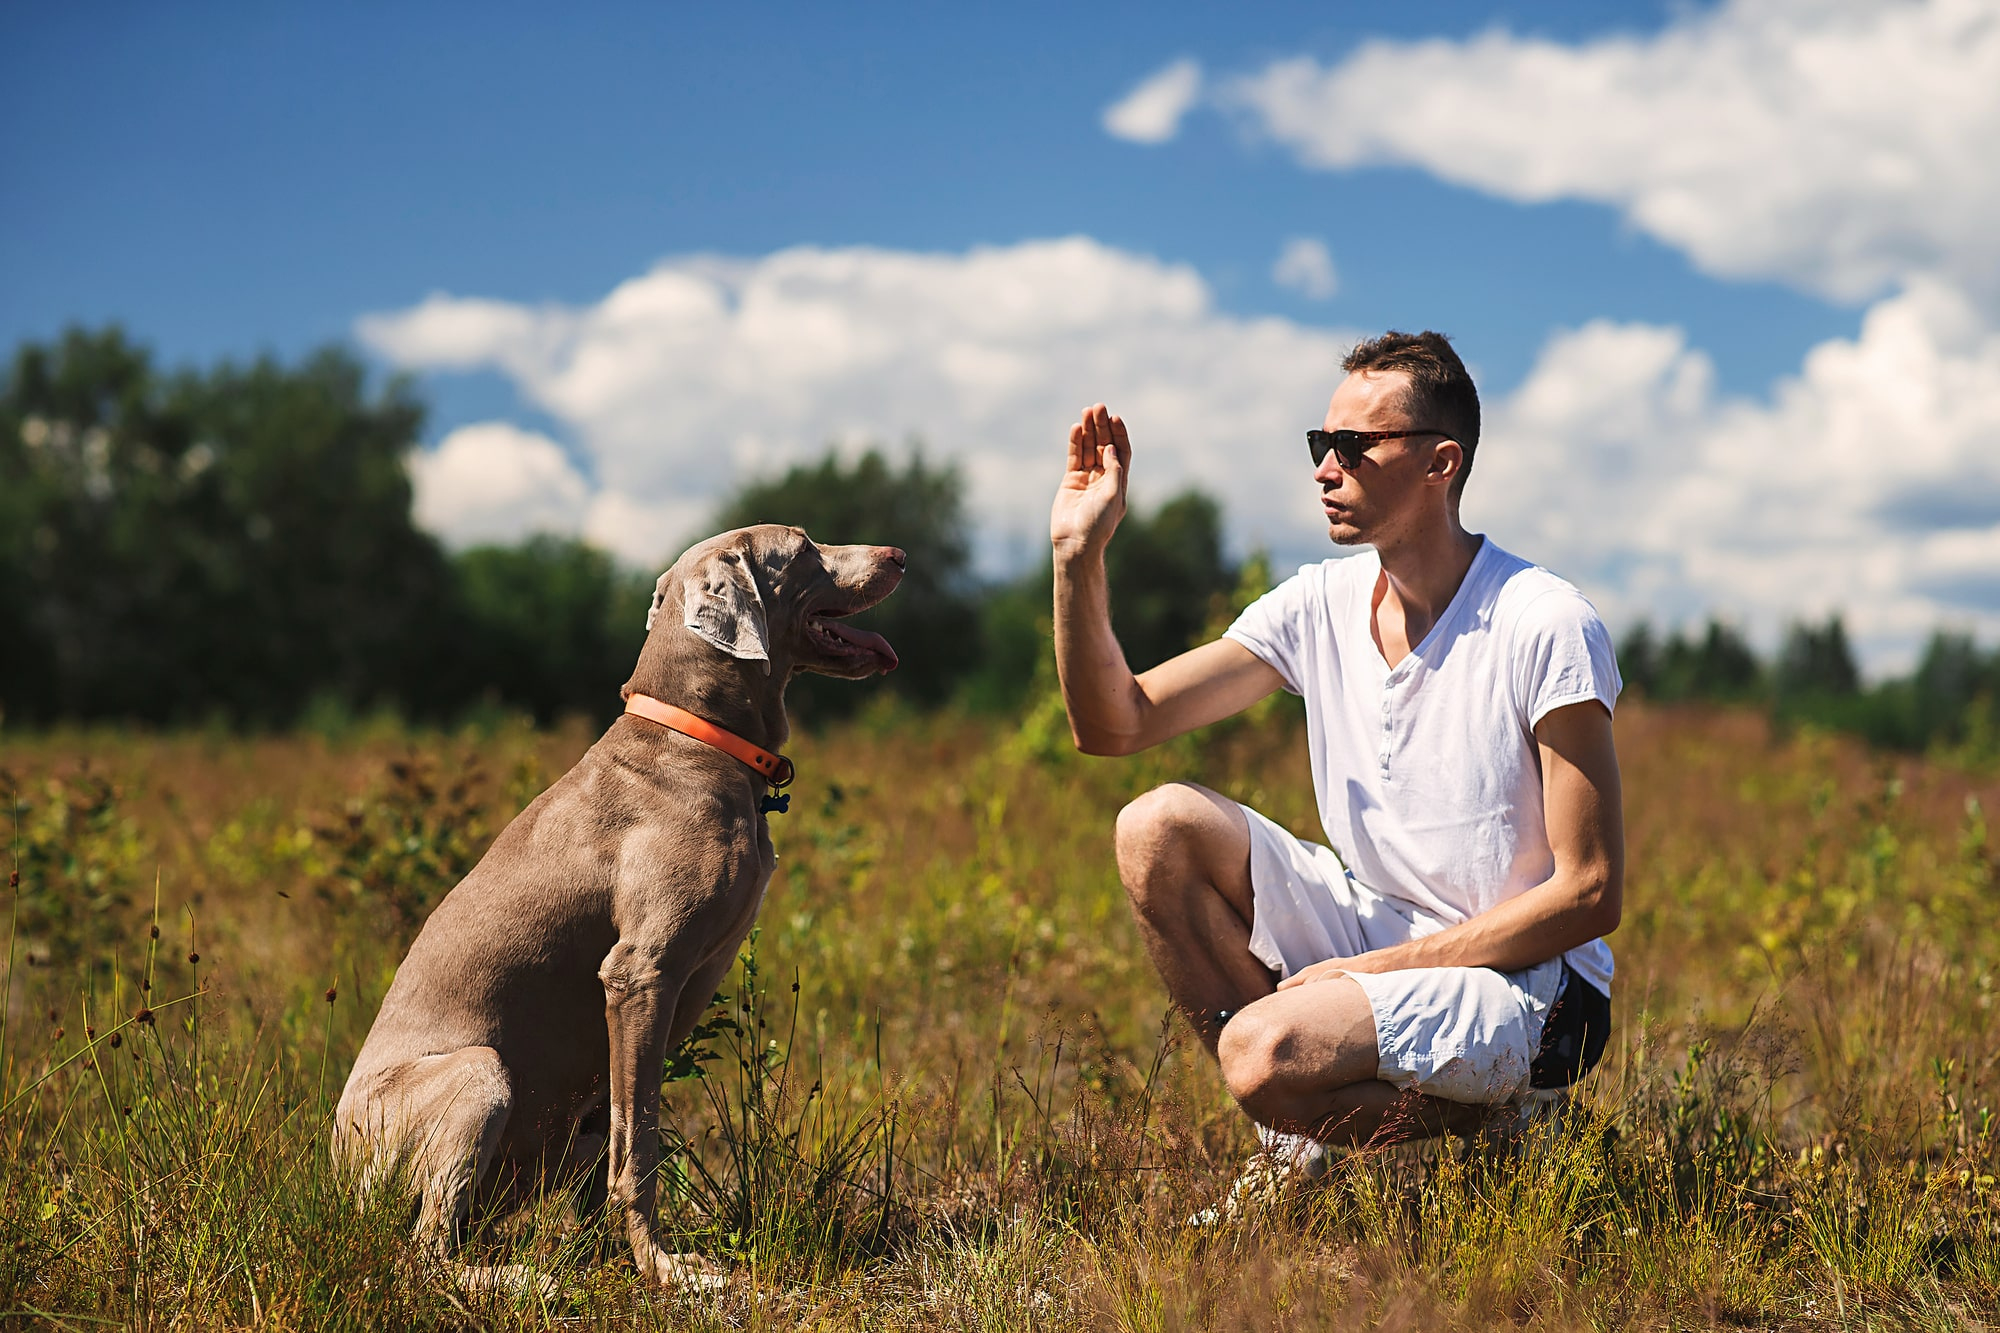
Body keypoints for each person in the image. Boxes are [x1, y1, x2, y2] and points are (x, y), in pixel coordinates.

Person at [1050, 330, 1623, 1199]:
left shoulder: (1544, 622)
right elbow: (1115, 723)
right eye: (1322, 444)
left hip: (1532, 987)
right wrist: (1077, 557)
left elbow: (1591, 893)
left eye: (1356, 446)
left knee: (1260, 1048)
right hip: (1384, 927)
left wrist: (1366, 974)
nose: (1326, 466)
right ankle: (1295, 1141)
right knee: (1154, 825)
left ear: (1441, 464)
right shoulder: (1317, 602)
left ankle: (1517, 1116)